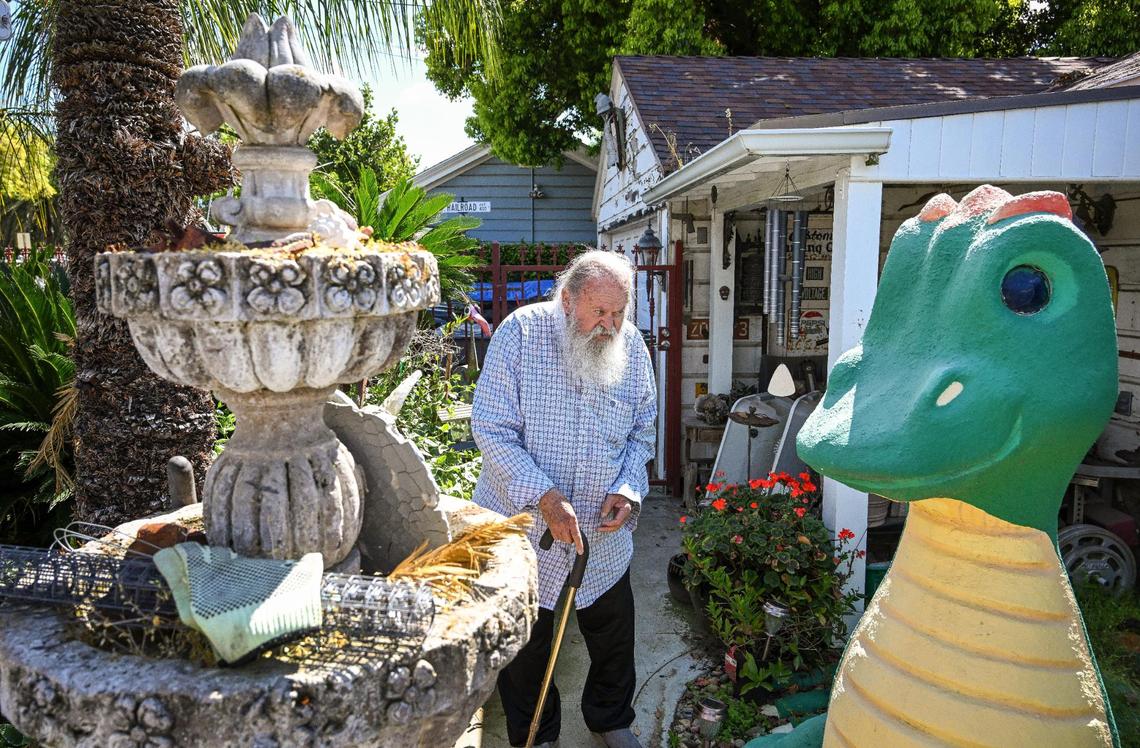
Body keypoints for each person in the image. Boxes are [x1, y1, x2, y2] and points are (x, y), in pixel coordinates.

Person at [472, 250, 657, 748]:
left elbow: (643, 432)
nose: (610, 325)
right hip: (529, 532)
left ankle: (610, 718)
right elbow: (490, 428)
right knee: (527, 649)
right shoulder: (520, 335)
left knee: (614, 638)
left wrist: (627, 488)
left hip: (603, 532)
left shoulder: (631, 347)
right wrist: (545, 498)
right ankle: (537, 736)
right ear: (567, 299)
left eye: (619, 313)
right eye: (599, 312)